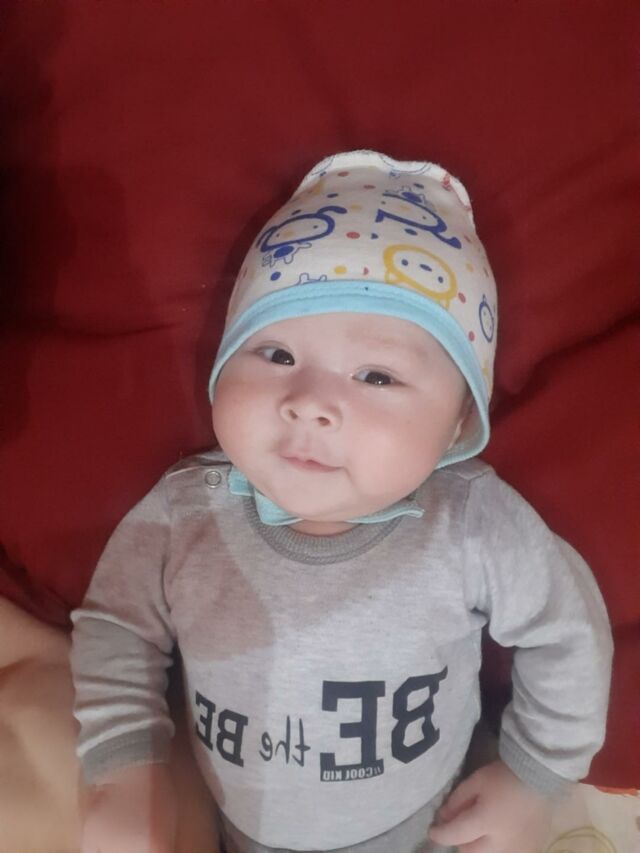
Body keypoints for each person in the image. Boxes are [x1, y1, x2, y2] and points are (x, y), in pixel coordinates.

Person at [70, 150, 613, 853]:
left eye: (376, 376)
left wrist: (534, 778)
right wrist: (124, 769)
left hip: (429, 824)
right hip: (233, 826)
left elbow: (566, 633)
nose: (310, 403)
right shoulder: (186, 510)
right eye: (276, 355)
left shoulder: (470, 522)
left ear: (457, 425)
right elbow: (117, 626)